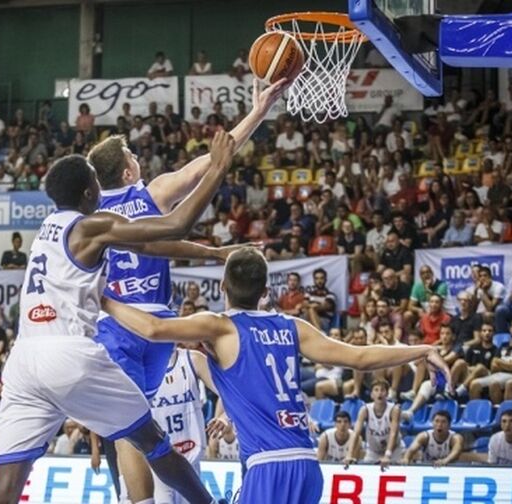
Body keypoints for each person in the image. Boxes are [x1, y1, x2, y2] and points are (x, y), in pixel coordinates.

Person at [0, 127, 242, 504]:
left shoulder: (48, 229)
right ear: (90, 193)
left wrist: (215, 253)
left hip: (23, 362)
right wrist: (217, 169)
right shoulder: (90, 225)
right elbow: (174, 224)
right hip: (67, 353)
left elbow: (152, 242)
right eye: (96, 185)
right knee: (151, 439)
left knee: (5, 488)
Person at [100, 247, 451, 503]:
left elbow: (153, 327)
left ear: (222, 287)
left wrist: (104, 298)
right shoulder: (292, 327)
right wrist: (422, 349)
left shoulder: (220, 328)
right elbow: (359, 357)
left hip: (268, 466)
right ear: (266, 292)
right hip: (307, 465)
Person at [86, 77, 289, 504]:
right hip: (160, 320)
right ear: (127, 171)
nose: (137, 158)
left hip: (123, 322)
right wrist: (258, 111)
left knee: (129, 424)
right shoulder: (153, 192)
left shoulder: (90, 215)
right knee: (146, 418)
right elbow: (211, 160)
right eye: (132, 155)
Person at [150, 347, 220, 504]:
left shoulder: (193, 359)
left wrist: (223, 417)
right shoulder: (140, 366)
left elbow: (230, 392)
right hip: (156, 464)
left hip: (191, 460)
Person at [348, 379, 405, 467]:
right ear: (371, 395)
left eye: (382, 390)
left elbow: (393, 433)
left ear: (387, 394)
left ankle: (407, 415)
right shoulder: (365, 410)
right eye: (376, 390)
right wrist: (349, 454)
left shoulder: (394, 410)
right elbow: (356, 433)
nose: (379, 393)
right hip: (373, 451)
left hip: (394, 450)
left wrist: (387, 455)